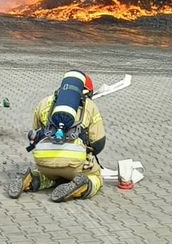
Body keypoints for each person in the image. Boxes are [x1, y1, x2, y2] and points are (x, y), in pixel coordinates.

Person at [8, 71, 105, 202]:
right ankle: (82, 185)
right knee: (96, 177)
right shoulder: (89, 105)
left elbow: (35, 134)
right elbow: (98, 143)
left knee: (48, 176)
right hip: (74, 163)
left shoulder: (45, 102)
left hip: (44, 161)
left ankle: (29, 178)